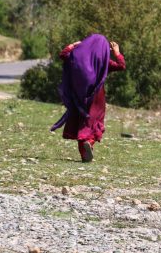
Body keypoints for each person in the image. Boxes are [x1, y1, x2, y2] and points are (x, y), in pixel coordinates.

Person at [50, 34, 126, 163]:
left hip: (80, 97)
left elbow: (63, 55)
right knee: (96, 123)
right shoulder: (104, 62)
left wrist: (72, 46)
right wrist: (117, 53)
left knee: (82, 123)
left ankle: (84, 154)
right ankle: (89, 143)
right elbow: (121, 65)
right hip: (97, 98)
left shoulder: (78, 58)